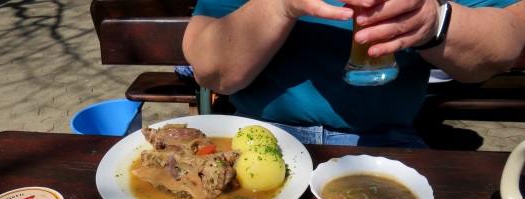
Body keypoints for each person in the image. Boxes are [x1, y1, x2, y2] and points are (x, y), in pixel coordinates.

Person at [182, 0, 525, 147]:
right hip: (258, 132)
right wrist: (279, 6)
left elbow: (506, 39)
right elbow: (211, 71)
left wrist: (435, 21)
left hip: (385, 140)